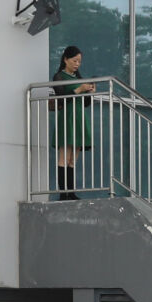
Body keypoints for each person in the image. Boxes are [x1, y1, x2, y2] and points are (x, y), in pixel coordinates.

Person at [50, 44, 96, 199]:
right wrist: (79, 90)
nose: (77, 64)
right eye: (74, 60)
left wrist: (89, 92)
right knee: (64, 157)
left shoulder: (79, 79)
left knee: (72, 160)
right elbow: (61, 96)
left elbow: (86, 103)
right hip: (67, 118)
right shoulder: (59, 76)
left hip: (79, 118)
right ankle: (63, 194)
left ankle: (71, 192)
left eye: (79, 62)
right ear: (65, 59)